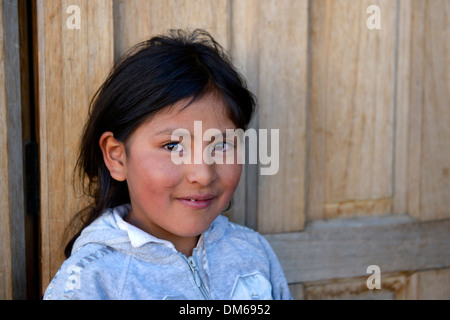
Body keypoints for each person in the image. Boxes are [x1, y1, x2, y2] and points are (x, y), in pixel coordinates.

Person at [43, 29, 292, 300]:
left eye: (221, 145)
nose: (202, 174)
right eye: (173, 146)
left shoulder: (253, 253)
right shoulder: (91, 280)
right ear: (117, 156)